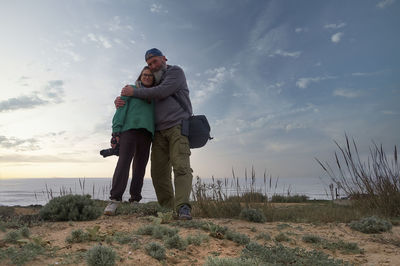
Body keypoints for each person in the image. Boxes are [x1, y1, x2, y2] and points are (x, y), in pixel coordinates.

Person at [116, 48, 193, 220]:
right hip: (157, 132)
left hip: (177, 127)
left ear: (164, 58)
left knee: (181, 166)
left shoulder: (175, 72)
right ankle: (167, 209)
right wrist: (121, 100)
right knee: (158, 173)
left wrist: (133, 92)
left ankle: (183, 208)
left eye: (155, 62)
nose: (152, 66)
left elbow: (161, 92)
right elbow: (142, 94)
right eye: (149, 64)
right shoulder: (153, 81)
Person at [103, 66, 155, 216]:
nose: (147, 77)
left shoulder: (155, 96)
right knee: (123, 163)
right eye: (144, 75)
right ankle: (114, 199)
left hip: (147, 134)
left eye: (150, 76)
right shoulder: (130, 90)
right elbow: (120, 110)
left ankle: (135, 200)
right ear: (140, 76)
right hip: (129, 131)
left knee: (140, 167)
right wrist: (116, 132)